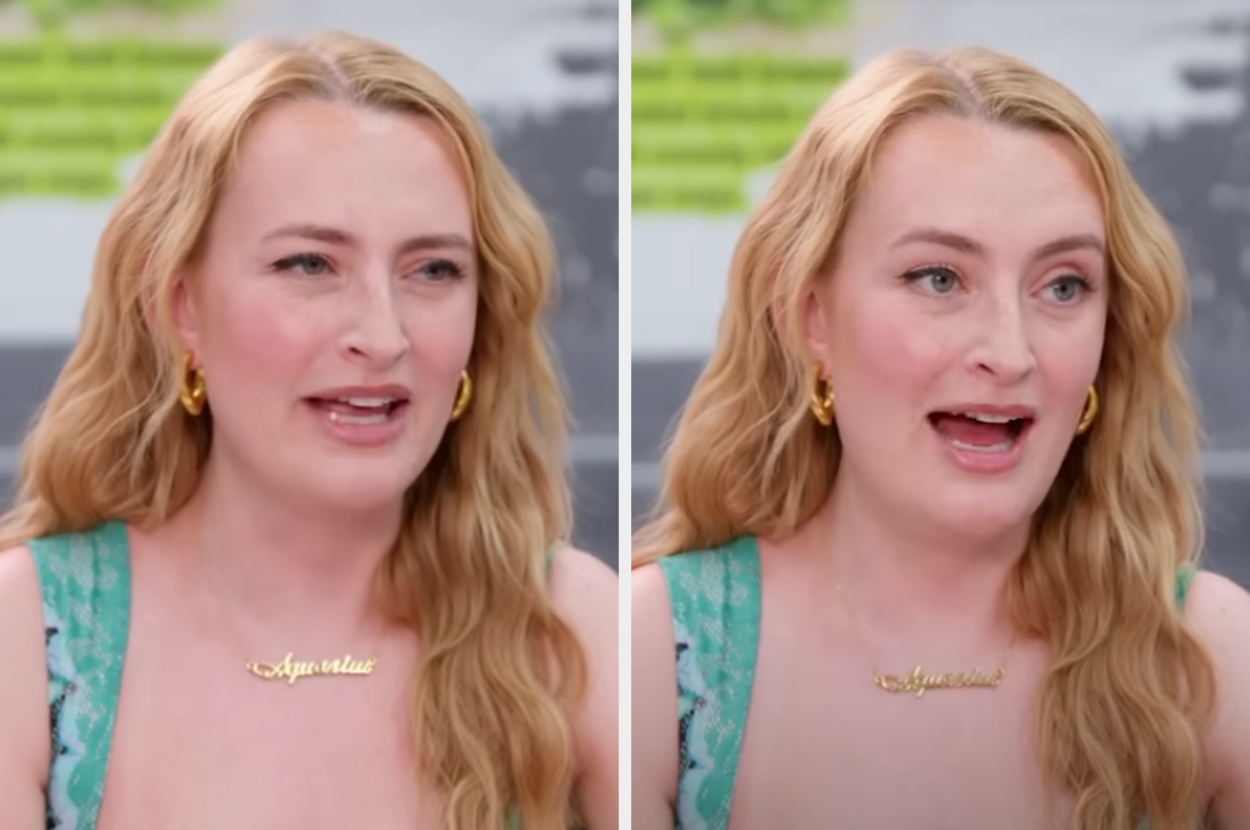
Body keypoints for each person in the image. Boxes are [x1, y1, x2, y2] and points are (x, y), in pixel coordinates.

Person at [0, 31, 617, 830]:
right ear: (180, 304)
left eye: (433, 270)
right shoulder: (25, 636)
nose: (383, 335)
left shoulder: (580, 632)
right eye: (309, 265)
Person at [632, 47, 1250, 830]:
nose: (1011, 351)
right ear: (811, 316)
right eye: (939, 278)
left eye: (1064, 286)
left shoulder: (1214, 659)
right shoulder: (652, 657)